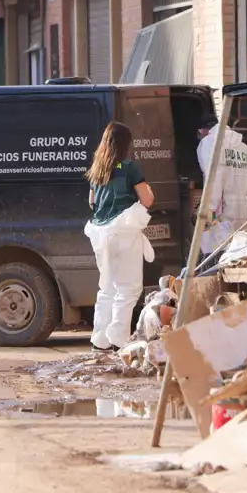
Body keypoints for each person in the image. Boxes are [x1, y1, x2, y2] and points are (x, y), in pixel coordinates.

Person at [84, 122, 154, 352]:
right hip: (123, 231)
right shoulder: (128, 166)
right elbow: (147, 200)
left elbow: (92, 202)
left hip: (99, 233)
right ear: (125, 143)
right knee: (129, 287)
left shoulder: (98, 168)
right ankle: (118, 335)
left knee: (107, 287)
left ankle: (99, 339)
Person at [195, 118, 247, 257]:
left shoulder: (209, 142)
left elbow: (214, 176)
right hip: (243, 209)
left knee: (218, 257)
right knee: (239, 255)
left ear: (203, 131)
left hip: (222, 211)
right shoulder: (243, 147)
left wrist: (208, 208)